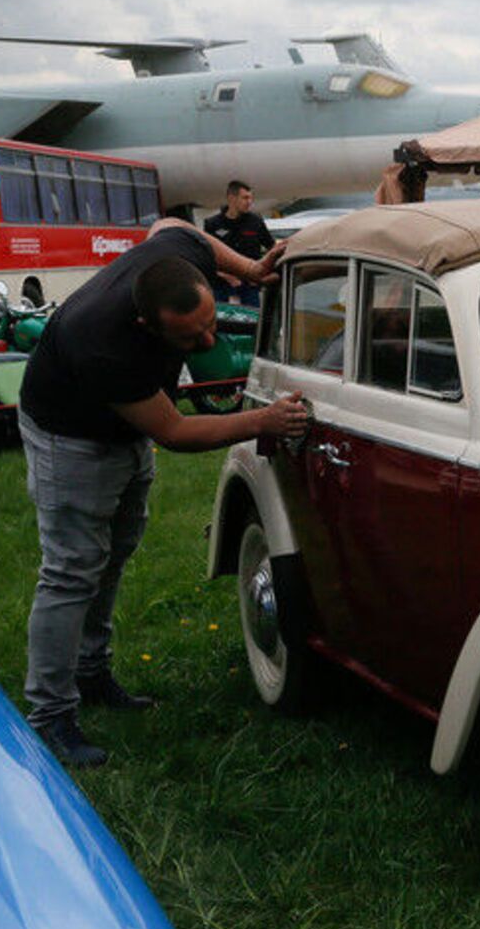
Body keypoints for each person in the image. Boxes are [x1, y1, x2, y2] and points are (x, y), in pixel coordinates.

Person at [18, 219, 307, 767]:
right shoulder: (100, 340)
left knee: (114, 553)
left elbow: (175, 226)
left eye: (210, 324)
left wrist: (250, 268)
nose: (207, 342)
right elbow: (173, 431)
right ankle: (50, 716)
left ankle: (91, 672)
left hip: (122, 426)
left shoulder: (181, 257)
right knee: (72, 568)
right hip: (69, 435)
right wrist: (263, 420)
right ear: (145, 323)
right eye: (189, 339)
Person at [204, 180, 275, 306]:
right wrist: (227, 276)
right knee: (224, 324)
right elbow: (206, 258)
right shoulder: (213, 224)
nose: (249, 202)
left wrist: (262, 273)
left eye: (251, 198)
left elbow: (272, 248)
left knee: (253, 323)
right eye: (245, 198)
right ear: (231, 198)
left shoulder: (255, 222)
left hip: (249, 288)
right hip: (222, 288)